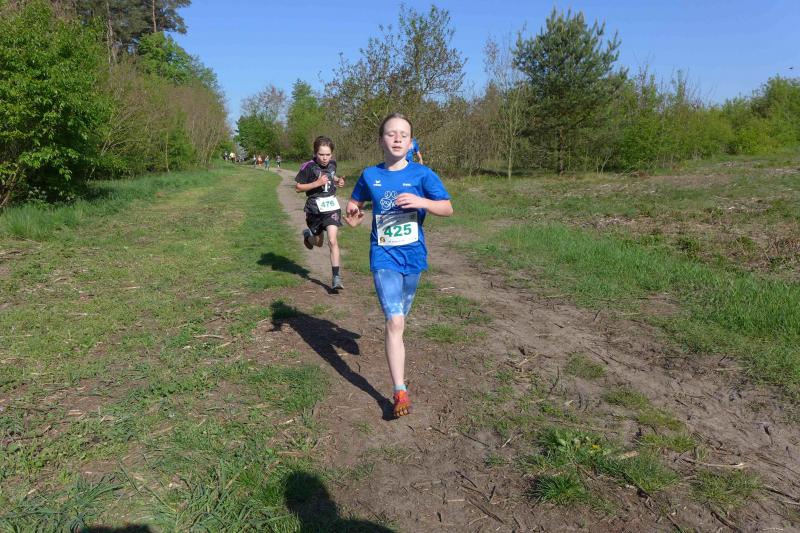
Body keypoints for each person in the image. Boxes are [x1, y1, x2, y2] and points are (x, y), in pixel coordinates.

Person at [345, 113, 452, 418]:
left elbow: (447, 207)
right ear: (381, 140)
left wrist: (422, 202)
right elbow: (354, 205)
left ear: (410, 142)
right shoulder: (370, 175)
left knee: (400, 320)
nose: (397, 139)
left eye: (403, 135)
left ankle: (397, 356)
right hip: (383, 255)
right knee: (394, 321)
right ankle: (399, 390)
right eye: (391, 134)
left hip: (413, 256)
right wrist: (353, 216)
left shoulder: (423, 174)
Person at [295, 136, 346, 290]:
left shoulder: (333, 164)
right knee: (318, 242)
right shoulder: (308, 167)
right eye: (321, 154)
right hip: (314, 209)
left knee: (332, 240)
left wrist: (337, 180)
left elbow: (331, 175)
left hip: (331, 207)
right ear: (315, 153)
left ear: (332, 154)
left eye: (328, 154)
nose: (325, 158)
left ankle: (336, 278)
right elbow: (298, 187)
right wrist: (316, 183)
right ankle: (308, 237)